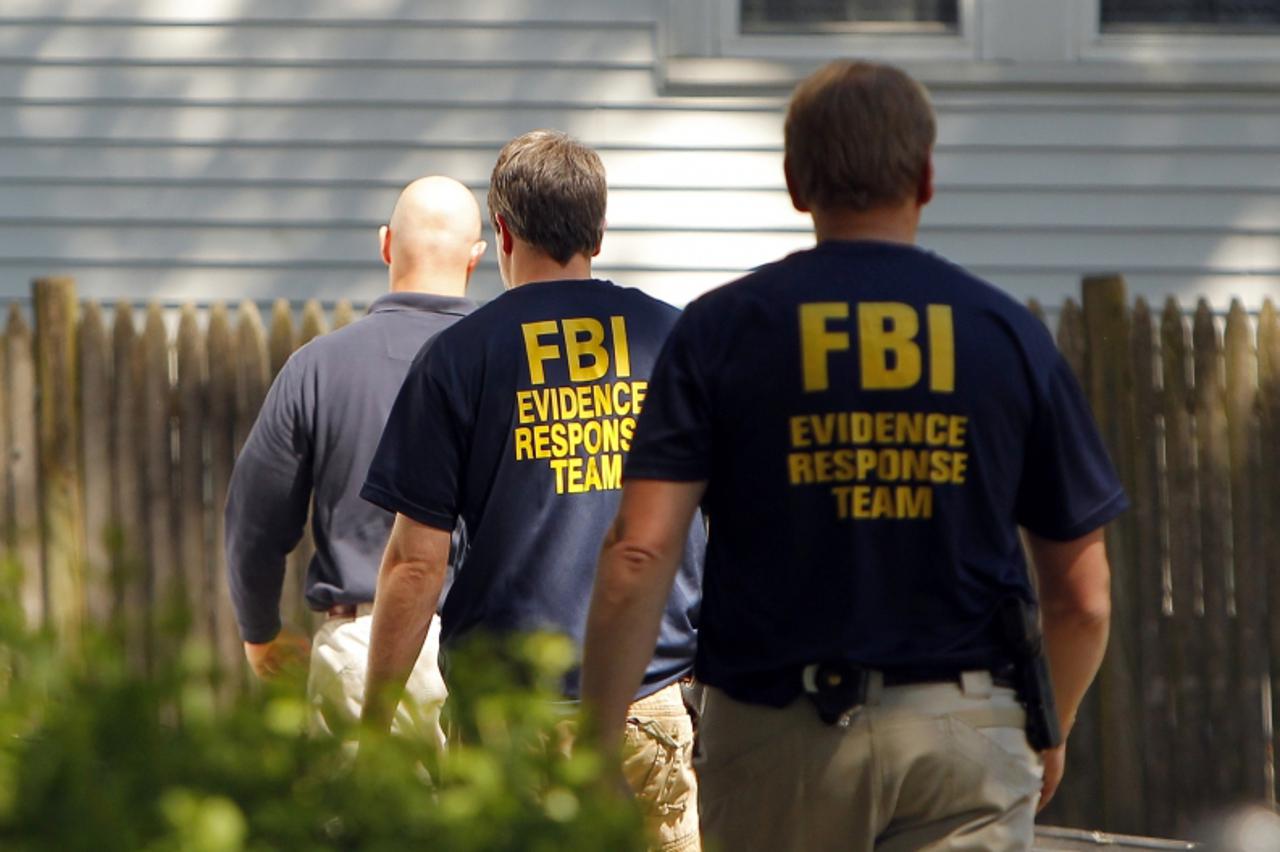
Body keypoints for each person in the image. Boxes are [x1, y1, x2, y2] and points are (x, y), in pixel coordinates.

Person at [581, 60, 1125, 852]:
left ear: (796, 181)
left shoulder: (720, 331)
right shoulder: (1005, 335)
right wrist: (1052, 723)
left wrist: (599, 742)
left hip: (779, 736)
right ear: (927, 179)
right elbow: (1084, 598)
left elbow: (639, 549)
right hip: (964, 739)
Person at [359, 130, 704, 852]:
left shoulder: (459, 357)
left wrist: (375, 720)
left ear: (504, 231)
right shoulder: (675, 343)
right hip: (650, 707)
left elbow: (417, 564)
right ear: (598, 232)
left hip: (507, 729)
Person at [225, 175, 486, 743]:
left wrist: (261, 631)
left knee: (361, 831)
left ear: (387, 244)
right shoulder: (510, 362)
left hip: (360, 650)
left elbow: (254, 517)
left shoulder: (317, 367)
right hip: (491, 653)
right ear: (477, 257)